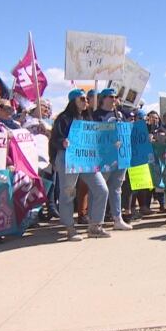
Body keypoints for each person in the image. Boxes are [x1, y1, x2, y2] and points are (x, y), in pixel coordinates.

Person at [49, 89, 110, 240]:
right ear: (73, 101)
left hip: (86, 159)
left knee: (102, 189)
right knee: (68, 193)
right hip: (67, 158)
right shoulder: (63, 118)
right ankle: (70, 228)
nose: (86, 101)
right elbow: (54, 139)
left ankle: (95, 226)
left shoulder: (88, 117)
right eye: (82, 99)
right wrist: (62, 142)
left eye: (86, 99)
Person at [92, 88, 133, 231]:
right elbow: (94, 135)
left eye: (116, 97)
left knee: (116, 188)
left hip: (120, 156)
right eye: (111, 96)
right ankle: (97, 220)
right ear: (103, 98)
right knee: (100, 188)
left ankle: (117, 218)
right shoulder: (96, 115)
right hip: (104, 157)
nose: (114, 99)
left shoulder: (120, 114)